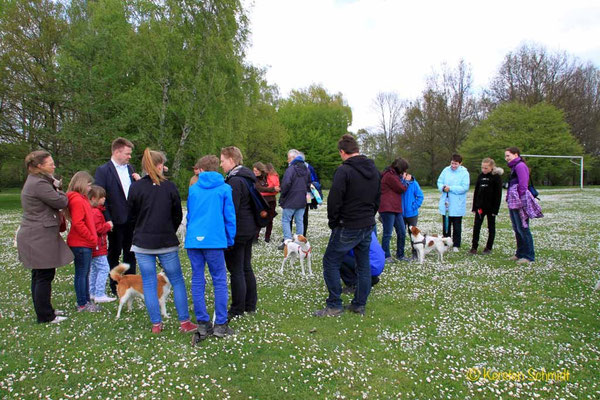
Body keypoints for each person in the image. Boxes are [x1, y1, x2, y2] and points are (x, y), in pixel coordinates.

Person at [127, 148, 197, 333]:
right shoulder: (170, 187)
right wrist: (168, 230)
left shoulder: (135, 187)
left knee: (149, 283)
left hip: (143, 242)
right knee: (177, 281)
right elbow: (176, 215)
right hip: (165, 242)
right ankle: (184, 322)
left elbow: (131, 216)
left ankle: (156, 324)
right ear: (160, 165)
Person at [314, 134, 380, 317]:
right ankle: (359, 304)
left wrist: (334, 222)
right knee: (363, 264)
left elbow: (334, 200)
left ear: (342, 152)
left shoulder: (344, 171)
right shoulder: (373, 169)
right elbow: (377, 197)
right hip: (367, 223)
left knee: (330, 261)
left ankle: (335, 304)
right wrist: (369, 215)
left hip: (348, 224)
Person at [17, 150, 74, 324]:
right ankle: (45, 315)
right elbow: (61, 202)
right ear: (39, 166)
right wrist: (61, 190)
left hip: (37, 233)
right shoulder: (38, 184)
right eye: (50, 163)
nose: (54, 165)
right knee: (43, 275)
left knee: (40, 274)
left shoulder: (38, 181)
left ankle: (45, 309)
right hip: (38, 235)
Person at [186, 155, 237, 339]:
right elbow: (229, 217)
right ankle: (220, 324)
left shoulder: (193, 189)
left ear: (201, 169)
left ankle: (203, 323)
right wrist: (230, 239)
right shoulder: (224, 188)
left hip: (194, 240)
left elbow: (190, 215)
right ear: (216, 168)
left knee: (198, 279)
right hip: (214, 240)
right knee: (219, 280)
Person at [94, 137, 140, 295]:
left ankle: (131, 284)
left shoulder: (131, 169)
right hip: (115, 219)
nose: (129, 157)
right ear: (117, 152)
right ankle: (115, 285)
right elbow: (100, 196)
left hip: (132, 219)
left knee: (131, 252)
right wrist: (107, 218)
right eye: (127, 153)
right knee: (114, 252)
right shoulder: (103, 171)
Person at [220, 146, 258, 320]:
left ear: (231, 160)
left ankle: (237, 308)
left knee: (237, 270)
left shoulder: (235, 181)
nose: (221, 165)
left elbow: (231, 210)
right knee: (245, 267)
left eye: (222, 161)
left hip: (239, 230)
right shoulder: (248, 178)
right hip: (249, 228)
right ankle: (250, 304)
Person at [67, 171, 101, 312]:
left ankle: (86, 300)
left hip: (84, 243)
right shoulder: (77, 200)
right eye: (88, 184)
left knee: (84, 273)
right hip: (81, 243)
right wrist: (91, 238)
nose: (90, 187)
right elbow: (78, 223)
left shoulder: (81, 199)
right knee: (82, 273)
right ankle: (82, 303)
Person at [505, 147, 540, 264]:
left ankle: (529, 255)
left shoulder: (520, 166)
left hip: (519, 202)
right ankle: (520, 253)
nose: (506, 158)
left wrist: (519, 199)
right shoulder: (514, 167)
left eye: (508, 155)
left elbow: (523, 185)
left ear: (516, 155)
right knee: (517, 228)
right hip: (513, 201)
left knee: (523, 228)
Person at [87, 185, 116, 303]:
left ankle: (92, 292)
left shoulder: (94, 211)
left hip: (95, 246)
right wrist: (108, 226)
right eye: (101, 197)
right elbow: (97, 229)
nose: (104, 199)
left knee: (94, 269)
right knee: (104, 268)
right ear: (94, 198)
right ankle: (99, 293)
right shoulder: (96, 212)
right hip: (99, 246)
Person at [469, 158, 503, 255]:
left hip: (491, 208)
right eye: (482, 168)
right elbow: (476, 192)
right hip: (480, 207)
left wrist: (495, 210)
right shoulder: (480, 176)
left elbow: (498, 195)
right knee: (476, 227)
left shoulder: (496, 177)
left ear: (492, 167)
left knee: (491, 227)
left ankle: (488, 247)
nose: (484, 170)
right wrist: (474, 207)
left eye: (486, 168)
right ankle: (474, 247)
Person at [437, 154, 470, 252]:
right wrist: (443, 187)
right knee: (446, 225)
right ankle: (446, 243)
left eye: (455, 164)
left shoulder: (464, 173)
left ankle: (456, 244)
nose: (453, 165)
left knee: (457, 226)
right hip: (446, 202)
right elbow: (439, 182)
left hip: (457, 204)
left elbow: (464, 187)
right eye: (452, 163)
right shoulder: (445, 170)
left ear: (460, 163)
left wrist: (451, 188)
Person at [378, 158, 409, 263]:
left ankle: (400, 254)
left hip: (395, 208)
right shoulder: (390, 176)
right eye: (404, 170)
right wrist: (405, 181)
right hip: (387, 208)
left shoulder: (393, 175)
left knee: (402, 231)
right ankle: (386, 255)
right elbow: (401, 188)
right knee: (388, 233)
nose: (404, 172)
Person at [279, 149, 310, 249]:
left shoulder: (291, 169)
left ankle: (287, 241)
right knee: (299, 221)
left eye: (288, 158)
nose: (287, 161)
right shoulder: (306, 168)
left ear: (293, 158)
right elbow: (309, 184)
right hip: (302, 199)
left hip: (290, 199)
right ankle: (300, 242)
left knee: (286, 220)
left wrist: (282, 196)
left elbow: (286, 184)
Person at [401, 166, 424, 261]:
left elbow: (420, 196)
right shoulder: (399, 184)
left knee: (413, 233)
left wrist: (413, 206)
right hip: (401, 213)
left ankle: (415, 252)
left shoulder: (414, 183)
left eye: (403, 174)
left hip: (412, 213)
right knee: (401, 233)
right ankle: (400, 253)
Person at [253, 162, 278, 243]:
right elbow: (259, 188)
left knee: (270, 220)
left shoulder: (267, 177)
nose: (255, 173)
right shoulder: (254, 179)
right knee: (260, 218)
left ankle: (267, 238)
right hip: (262, 201)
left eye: (256, 171)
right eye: (254, 171)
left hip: (271, 201)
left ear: (261, 171)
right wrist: (272, 189)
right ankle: (255, 237)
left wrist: (272, 189)